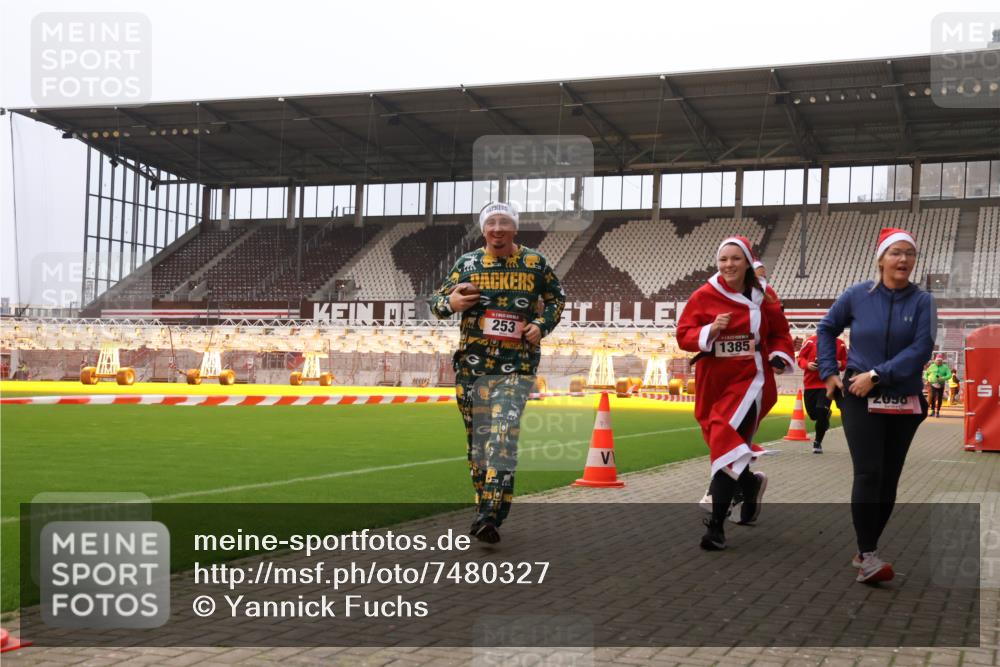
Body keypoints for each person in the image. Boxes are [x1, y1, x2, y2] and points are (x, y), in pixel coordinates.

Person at [429, 201, 565, 544]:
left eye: (505, 223)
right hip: (472, 367)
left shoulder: (535, 263)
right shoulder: (468, 264)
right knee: (479, 444)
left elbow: (556, 298)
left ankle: (489, 514)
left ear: (515, 228)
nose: (498, 228)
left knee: (502, 436)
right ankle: (485, 511)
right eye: (492, 223)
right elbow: (438, 302)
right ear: (483, 229)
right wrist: (452, 303)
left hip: (516, 367)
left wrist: (540, 324)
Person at [818, 227, 935, 584]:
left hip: (904, 398)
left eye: (909, 254)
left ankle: (866, 548)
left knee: (888, 478)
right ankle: (868, 555)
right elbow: (826, 329)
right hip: (859, 396)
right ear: (881, 258)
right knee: (868, 472)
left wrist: (879, 374)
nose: (903, 260)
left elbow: (921, 349)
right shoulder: (856, 295)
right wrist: (829, 372)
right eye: (896, 253)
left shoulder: (923, 301)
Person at [678, 235, 794, 550]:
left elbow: (781, 333)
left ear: (747, 262)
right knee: (720, 440)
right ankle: (750, 483)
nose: (729, 265)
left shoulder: (765, 296)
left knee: (724, 436)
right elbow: (684, 335)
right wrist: (710, 330)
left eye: (735, 259)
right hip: (713, 382)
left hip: (751, 380)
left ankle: (715, 528)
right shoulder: (704, 295)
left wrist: (779, 356)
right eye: (723, 259)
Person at [797, 333, 847, 453]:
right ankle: (825, 415)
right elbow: (800, 358)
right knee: (814, 415)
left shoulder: (841, 344)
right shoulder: (810, 342)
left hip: (828, 384)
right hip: (810, 384)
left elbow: (847, 361)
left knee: (820, 411)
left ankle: (817, 442)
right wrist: (807, 365)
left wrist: (840, 364)